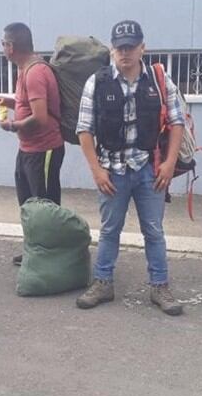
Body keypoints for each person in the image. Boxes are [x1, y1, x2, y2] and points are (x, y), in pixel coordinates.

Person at [74, 20, 186, 316]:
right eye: (120, 47)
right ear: (112, 49)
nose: (125, 52)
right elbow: (84, 129)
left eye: (131, 46)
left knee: (154, 230)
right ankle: (103, 283)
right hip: (112, 171)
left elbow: (177, 123)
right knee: (110, 230)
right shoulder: (96, 82)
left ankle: (160, 286)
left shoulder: (160, 80)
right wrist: (96, 170)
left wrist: (169, 162)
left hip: (149, 169)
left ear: (142, 48)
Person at [0, 22, 65, 267]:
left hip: (43, 150)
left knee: (44, 206)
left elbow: (40, 118)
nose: (2, 47)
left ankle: (50, 257)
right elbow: (29, 105)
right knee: (28, 204)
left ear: (11, 46)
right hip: (27, 150)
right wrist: (10, 103)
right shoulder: (24, 69)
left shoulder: (35, 72)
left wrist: (11, 126)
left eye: (3, 43)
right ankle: (36, 249)